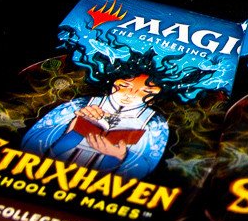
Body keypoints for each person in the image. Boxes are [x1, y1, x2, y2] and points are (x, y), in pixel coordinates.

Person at [21, 71, 169, 178]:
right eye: (125, 85)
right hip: (44, 173)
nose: (130, 93)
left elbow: (148, 163)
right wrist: (72, 130)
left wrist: (118, 156)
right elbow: (32, 140)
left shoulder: (155, 123)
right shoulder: (80, 104)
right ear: (112, 83)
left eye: (146, 91)